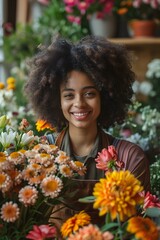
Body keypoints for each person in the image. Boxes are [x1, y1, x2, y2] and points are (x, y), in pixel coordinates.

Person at [24, 35, 150, 229]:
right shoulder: (40, 155)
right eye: (69, 95)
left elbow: (137, 229)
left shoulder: (130, 158)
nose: (79, 103)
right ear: (56, 100)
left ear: (105, 97)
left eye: (89, 94)